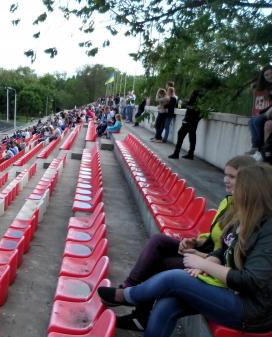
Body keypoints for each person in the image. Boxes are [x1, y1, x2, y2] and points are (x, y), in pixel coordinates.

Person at [98, 163, 272, 337]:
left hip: (250, 310)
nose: (231, 187)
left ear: (253, 191)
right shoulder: (242, 215)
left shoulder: (267, 229)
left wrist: (203, 263)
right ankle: (133, 300)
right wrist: (206, 264)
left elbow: (251, 281)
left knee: (175, 278)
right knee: (168, 303)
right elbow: (221, 250)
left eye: (238, 184)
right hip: (226, 288)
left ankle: (129, 295)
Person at [169, 90, 202, 159]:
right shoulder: (201, 102)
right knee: (192, 136)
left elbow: (188, 108)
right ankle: (190, 154)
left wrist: (185, 120)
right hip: (194, 121)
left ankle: (176, 153)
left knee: (181, 134)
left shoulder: (193, 100)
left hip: (188, 121)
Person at [247, 65, 272, 155]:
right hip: (267, 111)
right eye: (266, 75)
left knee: (258, 121)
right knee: (251, 122)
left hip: (270, 113)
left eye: (271, 73)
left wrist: (266, 113)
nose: (270, 76)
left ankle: (261, 146)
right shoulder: (267, 87)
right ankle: (255, 146)